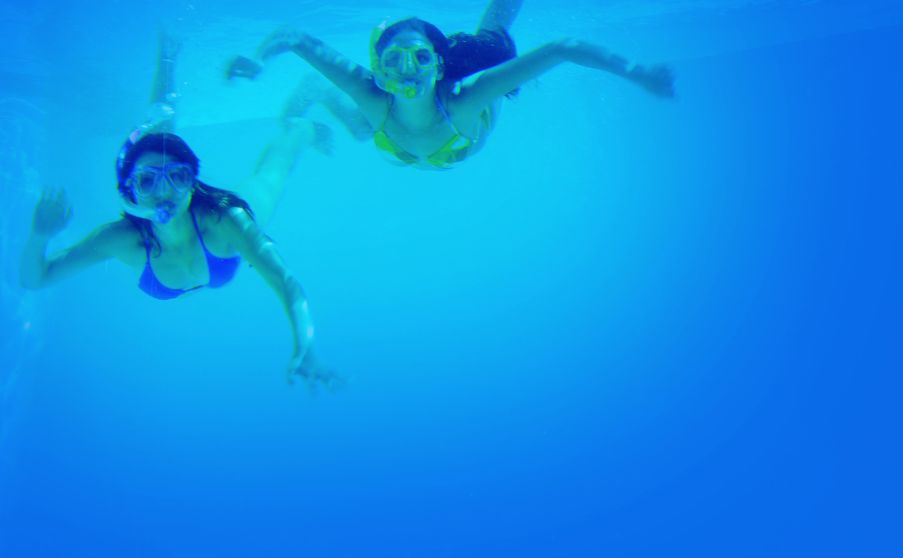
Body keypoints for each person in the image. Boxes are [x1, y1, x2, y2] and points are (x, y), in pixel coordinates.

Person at [19, 33, 340, 388]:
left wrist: (305, 345)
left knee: (273, 171)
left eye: (178, 177)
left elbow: (285, 280)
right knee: (158, 139)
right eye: (147, 183)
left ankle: (302, 125)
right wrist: (39, 236)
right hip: (195, 238)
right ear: (129, 192)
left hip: (219, 232)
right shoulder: (120, 239)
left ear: (191, 180)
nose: (164, 194)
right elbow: (35, 279)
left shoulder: (225, 220)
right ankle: (168, 57)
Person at [226, 0, 674, 169]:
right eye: (395, 61)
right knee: (365, 129)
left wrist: (636, 71)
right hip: (401, 146)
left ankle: (322, 91)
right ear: (380, 71)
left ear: (438, 67)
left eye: (421, 58)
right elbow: (295, 37)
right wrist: (258, 58)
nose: (408, 70)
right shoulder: (373, 91)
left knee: (494, 41)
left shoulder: (463, 103)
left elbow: (560, 48)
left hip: (438, 128)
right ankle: (319, 88)